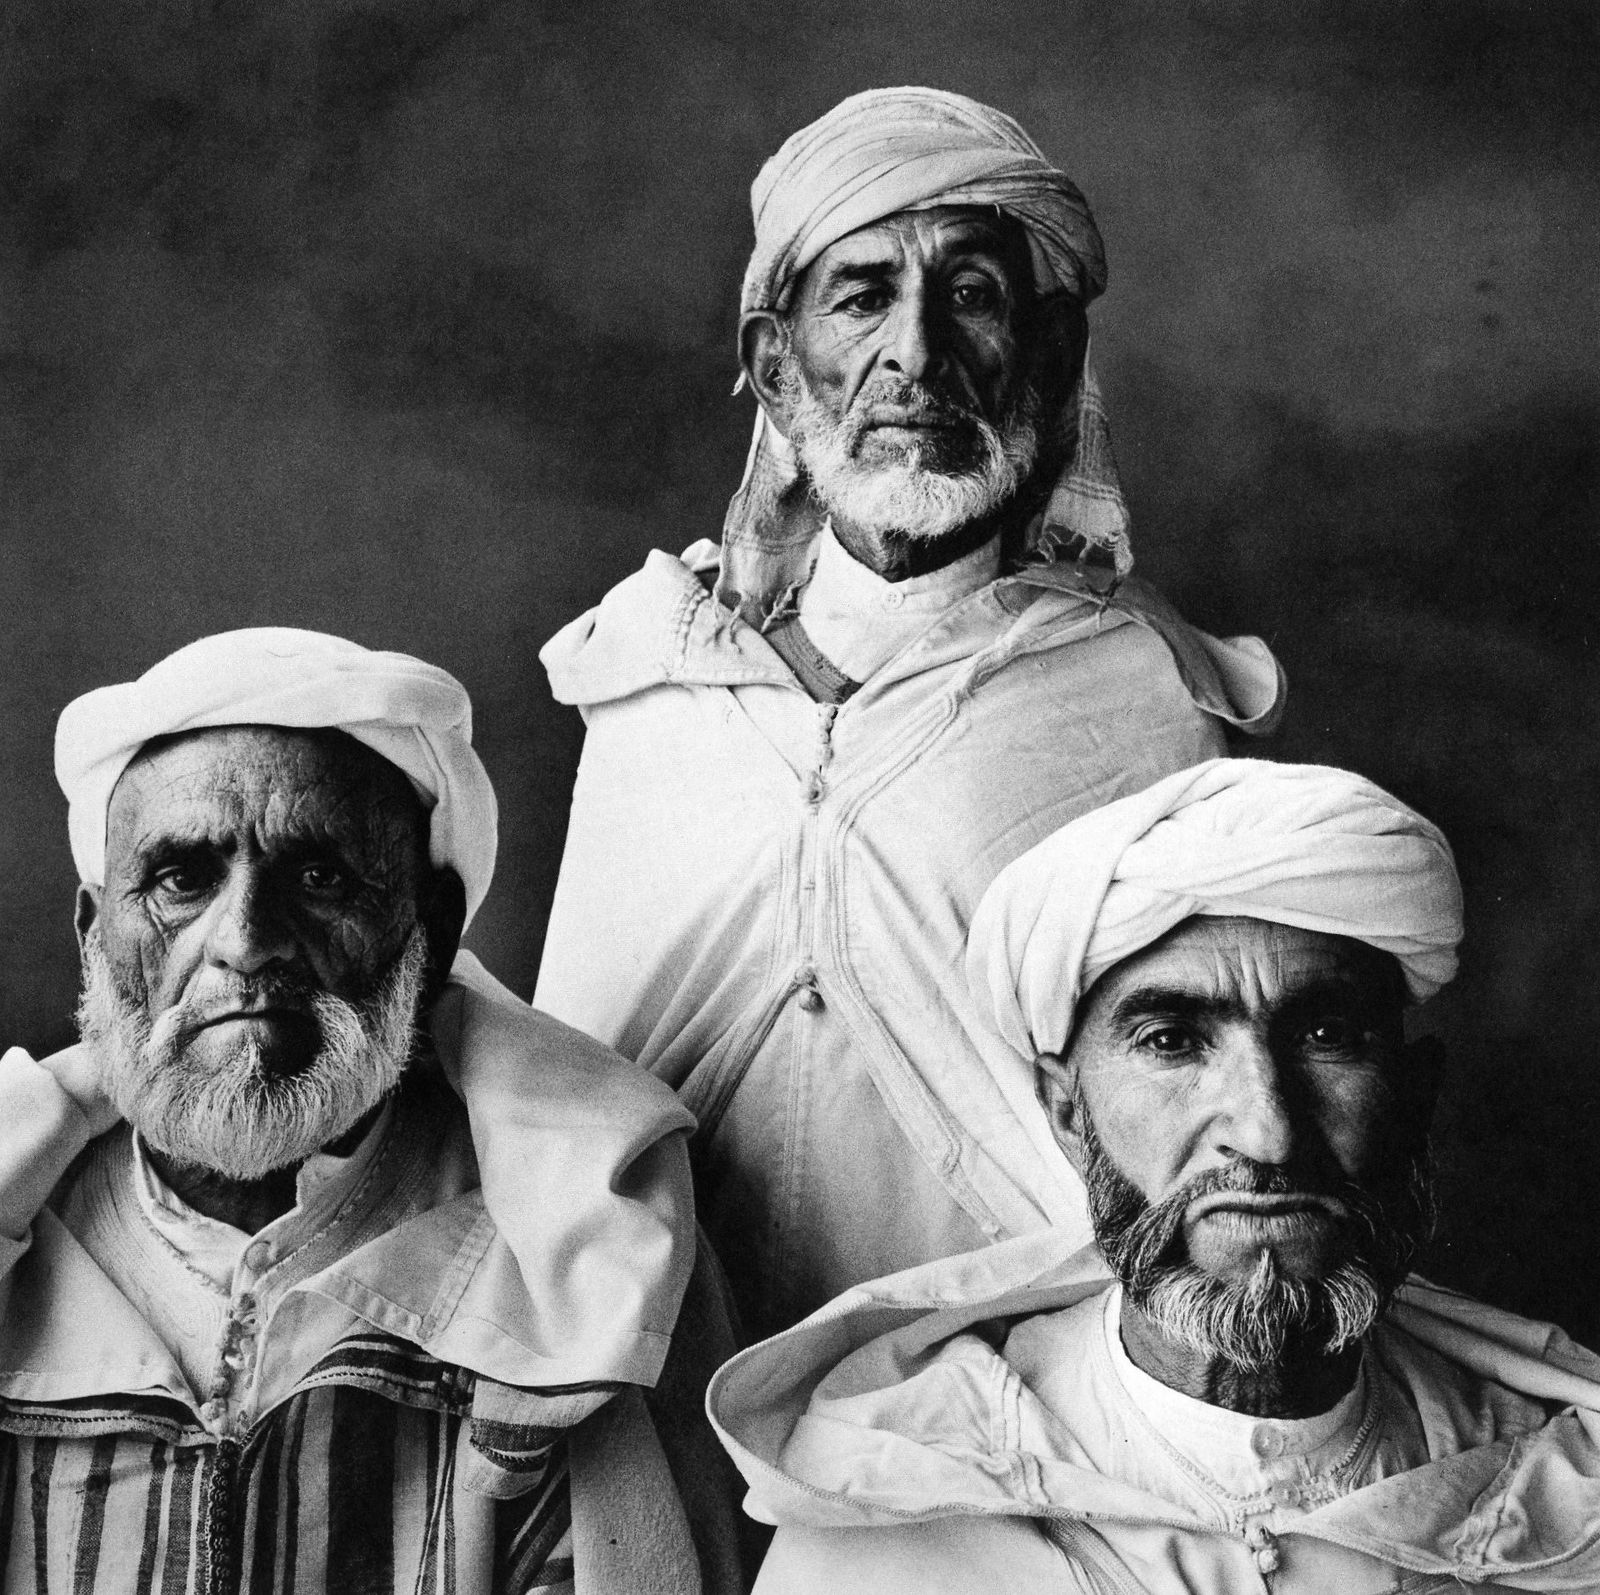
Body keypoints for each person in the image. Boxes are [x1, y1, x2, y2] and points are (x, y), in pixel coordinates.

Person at [535, 86, 1286, 1340]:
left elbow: (1189, 1111)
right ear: (779, 364)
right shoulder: (651, 680)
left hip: (990, 1387)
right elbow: (554, 1095)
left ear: (1044, 356)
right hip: (649, 1373)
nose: (918, 355)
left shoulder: (1146, 695)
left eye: (972, 296)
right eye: (863, 295)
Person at [710, 760, 1600, 1592]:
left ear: (1415, 1095)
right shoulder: (895, 1502)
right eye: (1172, 1042)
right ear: (1068, 1111)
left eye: (1327, 1037)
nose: (1268, 1133)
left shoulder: (1554, 1484)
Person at [0, 629, 743, 1595]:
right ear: (96, 936)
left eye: (320, 878)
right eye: (182, 879)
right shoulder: (25, 1245)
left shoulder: (589, 1265)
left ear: (429, 933)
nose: (247, 941)